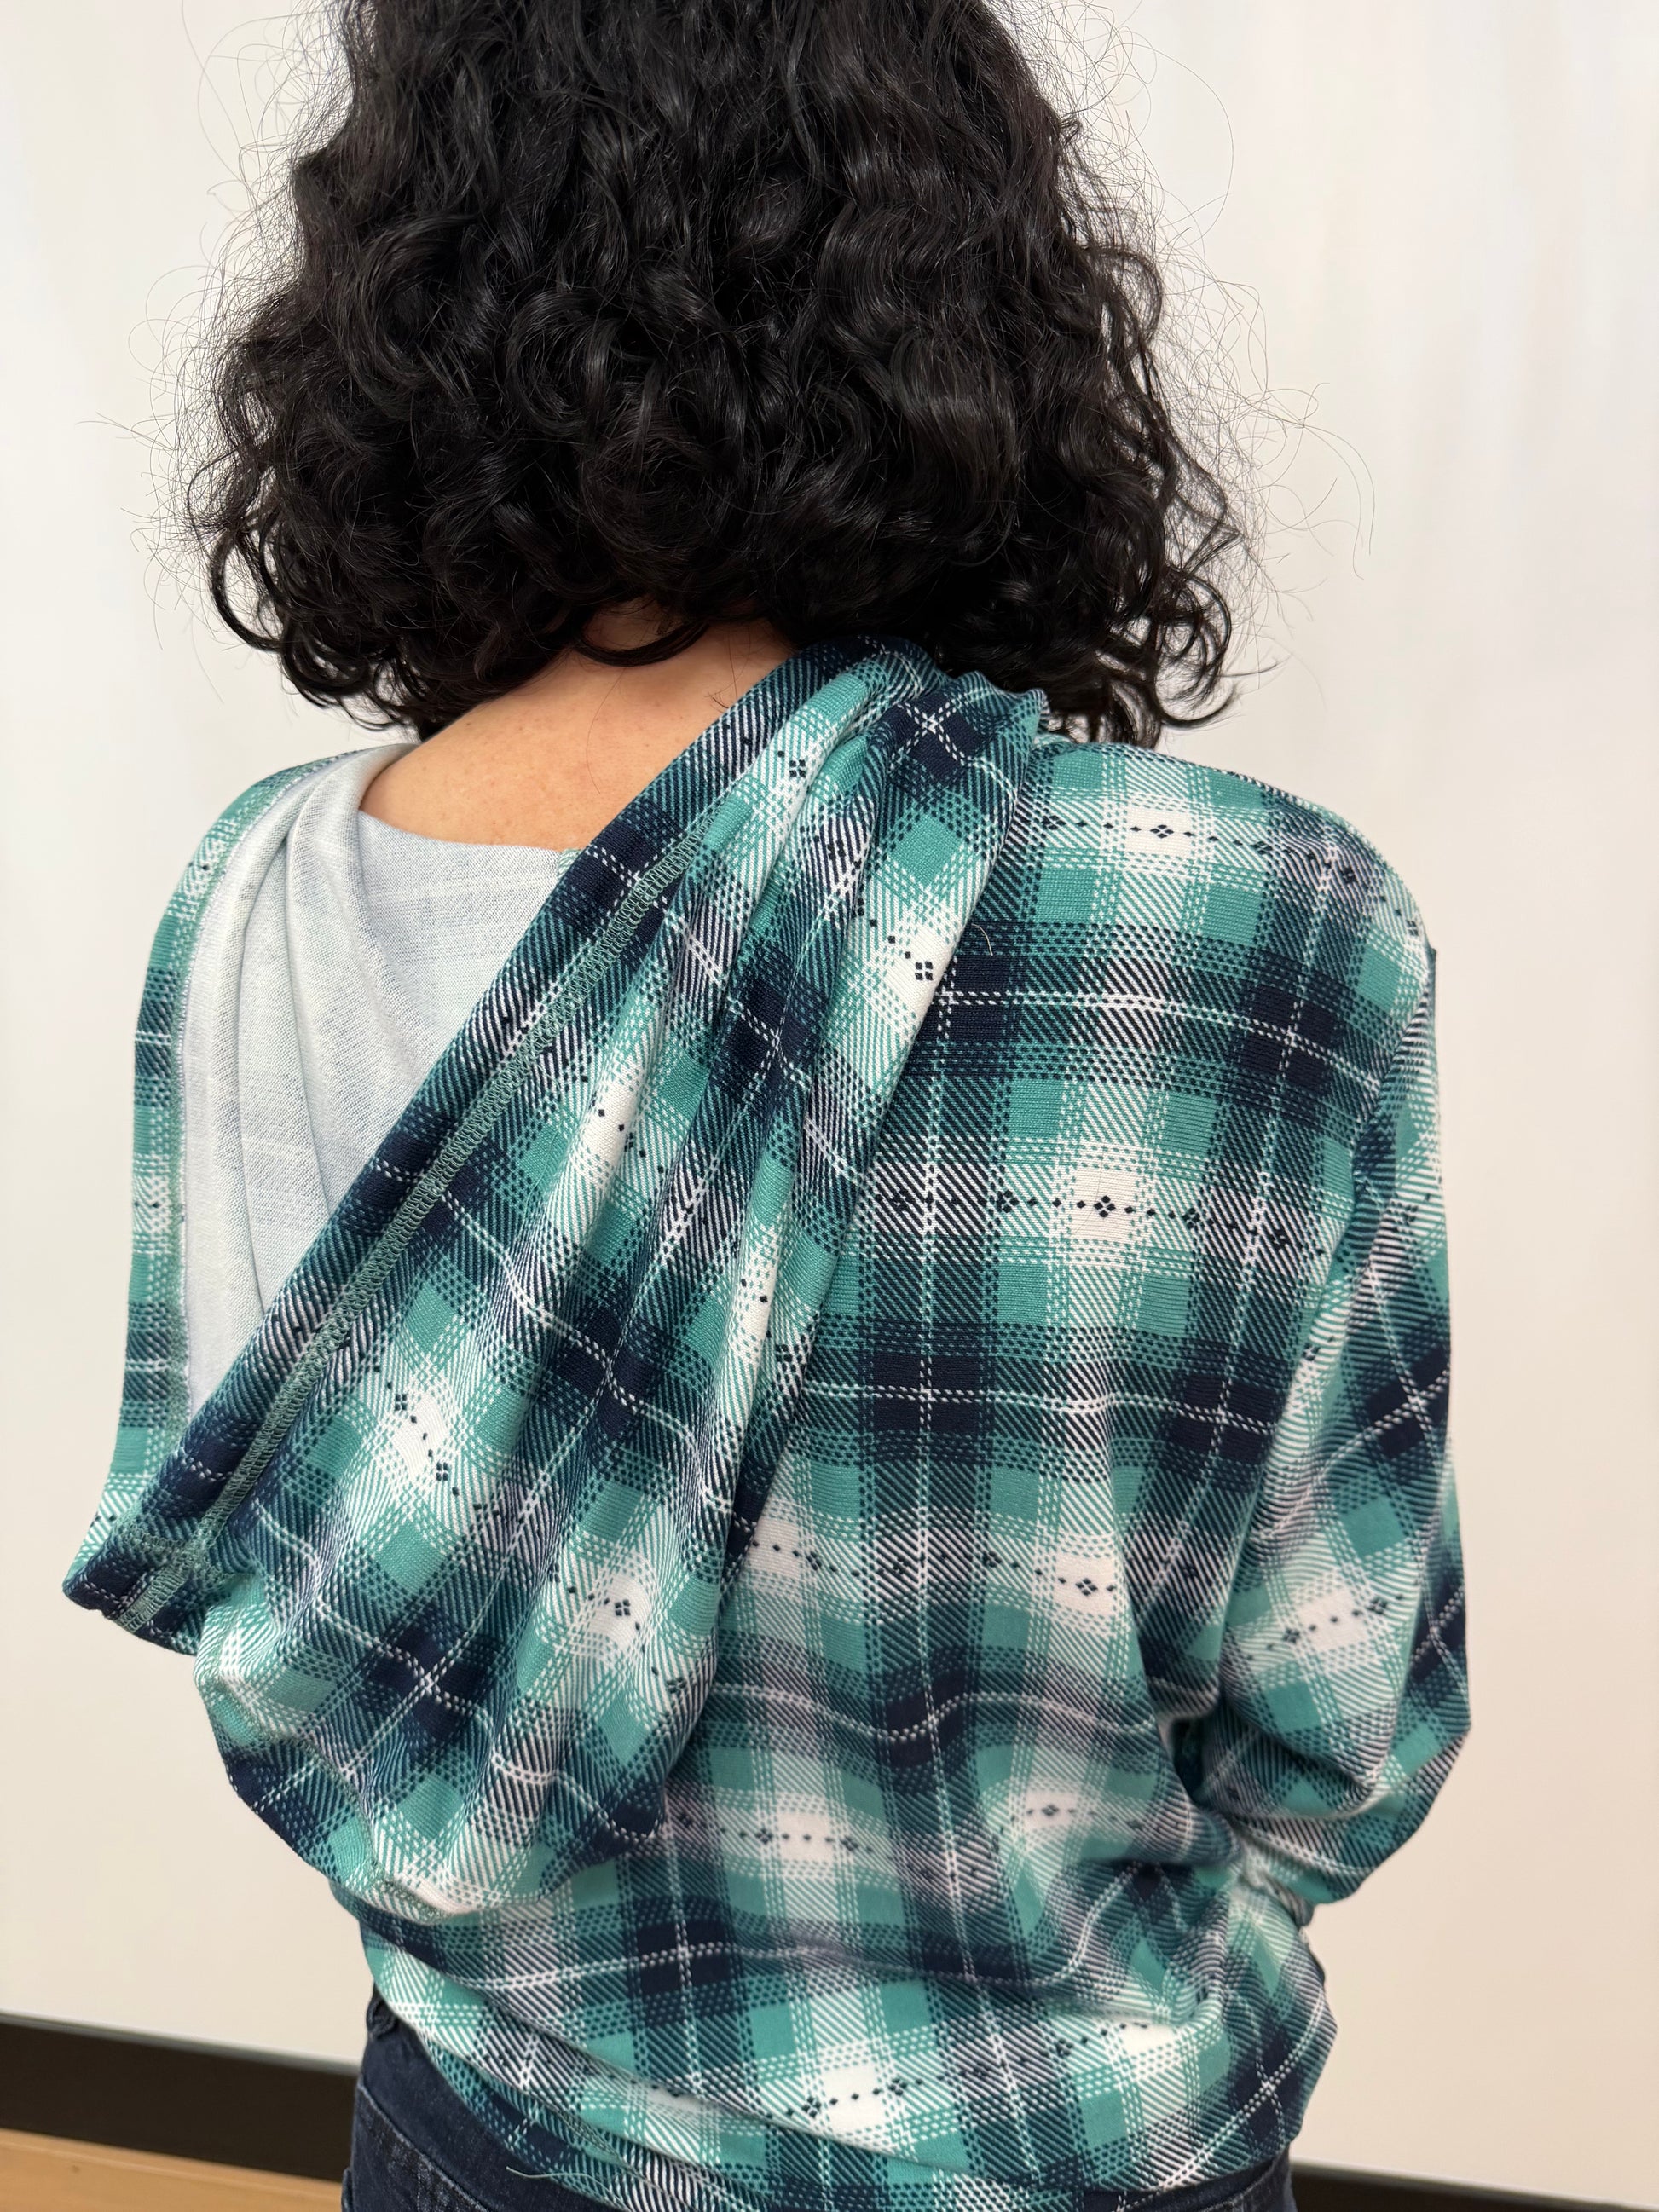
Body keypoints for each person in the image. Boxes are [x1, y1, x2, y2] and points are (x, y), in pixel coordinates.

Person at [63, 4, 1468, 2211]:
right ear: (970, 303)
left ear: (405, 314)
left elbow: (274, 1614)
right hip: (1074, 2148)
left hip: (506, 2130)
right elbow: (1335, 1728)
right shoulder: (1263, 923)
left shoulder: (259, 902)